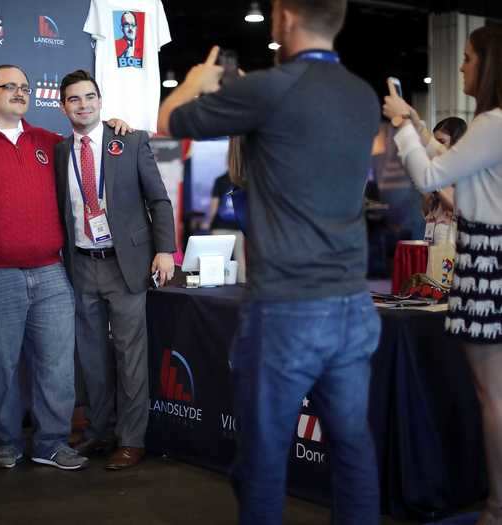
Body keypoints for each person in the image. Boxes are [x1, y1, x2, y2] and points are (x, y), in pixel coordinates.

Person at [158, 0, 382, 523]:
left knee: (262, 457)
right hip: (353, 303)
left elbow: (170, 120)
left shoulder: (271, 87)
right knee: (353, 449)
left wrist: (196, 78)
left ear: (283, 18)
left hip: (287, 308)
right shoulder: (362, 95)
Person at [0, 65, 129, 472]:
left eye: (25, 87)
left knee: (57, 365)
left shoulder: (50, 142)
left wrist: (116, 126)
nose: (19, 92)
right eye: (9, 86)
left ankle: (50, 443)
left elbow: (91, 145)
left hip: (51, 272)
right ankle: (8, 442)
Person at [383, 26, 502, 525]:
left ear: (488, 64)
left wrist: (402, 127)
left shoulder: (493, 123)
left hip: (487, 261)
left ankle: (498, 507)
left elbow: (430, 177)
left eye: (469, 57)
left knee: (492, 394)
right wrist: (416, 122)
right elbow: (450, 165)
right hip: (484, 258)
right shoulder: (490, 127)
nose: (461, 65)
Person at [55, 69, 175, 470]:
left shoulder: (131, 140)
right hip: (82, 265)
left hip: (128, 266)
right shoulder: (57, 153)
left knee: (130, 356)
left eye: (90, 97)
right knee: (90, 359)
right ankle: (99, 433)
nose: (83, 105)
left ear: (101, 101)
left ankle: (132, 439)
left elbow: (159, 201)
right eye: (74, 99)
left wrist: (166, 251)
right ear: (63, 107)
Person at [419, 117, 467, 244]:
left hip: (451, 233)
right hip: (432, 229)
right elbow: (425, 209)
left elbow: (458, 206)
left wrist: (437, 188)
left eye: (441, 142)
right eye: (434, 142)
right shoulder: (436, 169)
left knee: (445, 263)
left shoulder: (464, 169)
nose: (436, 148)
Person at [202, 169, 246, 283]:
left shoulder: (220, 180)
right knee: (240, 259)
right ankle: (243, 286)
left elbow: (214, 205)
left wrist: (207, 222)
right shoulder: (243, 181)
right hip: (238, 226)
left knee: (217, 259)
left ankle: (216, 283)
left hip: (219, 226)